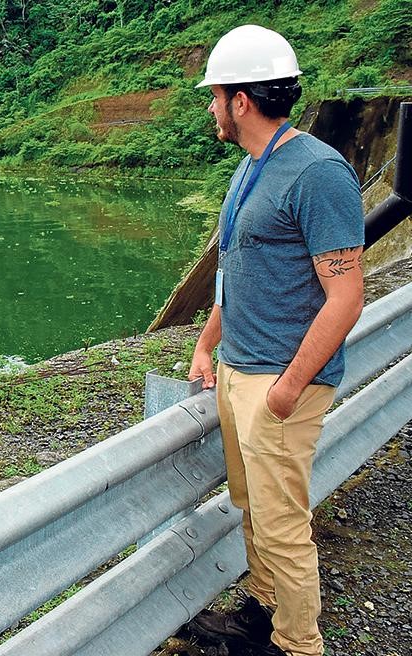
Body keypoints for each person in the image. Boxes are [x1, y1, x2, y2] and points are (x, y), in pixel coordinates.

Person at [186, 25, 365, 656]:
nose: (211, 107)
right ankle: (263, 614)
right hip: (239, 369)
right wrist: (208, 344)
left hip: (281, 381)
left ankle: (299, 644)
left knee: (284, 525)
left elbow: (346, 297)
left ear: (241, 101)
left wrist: (287, 389)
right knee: (252, 507)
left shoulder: (317, 173)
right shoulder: (250, 170)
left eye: (216, 96)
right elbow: (237, 271)